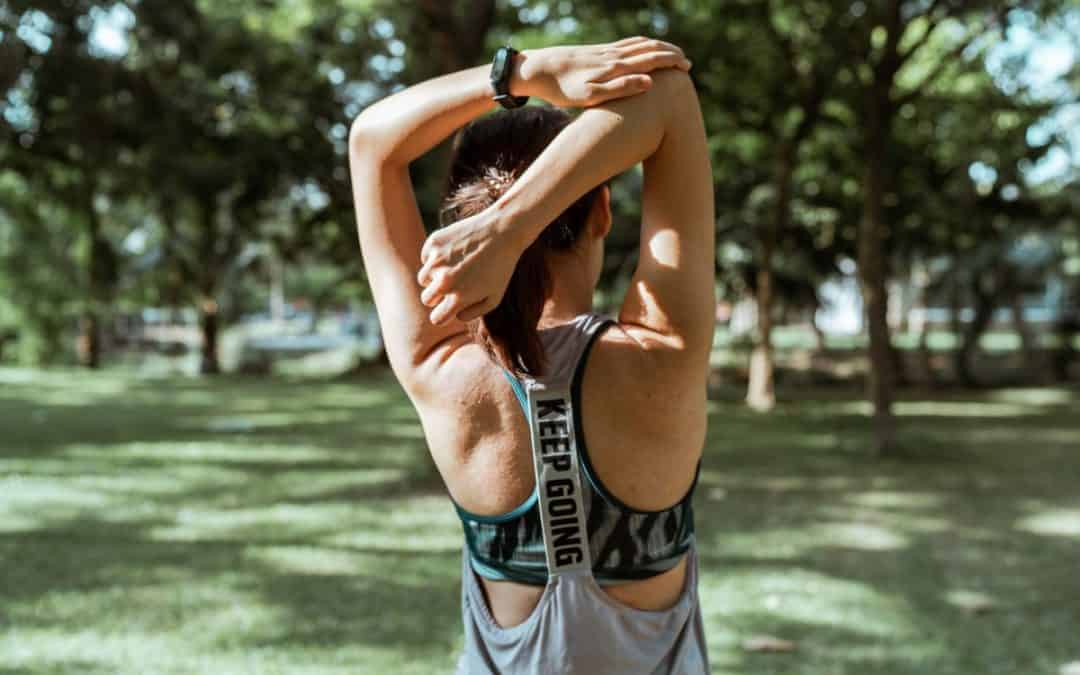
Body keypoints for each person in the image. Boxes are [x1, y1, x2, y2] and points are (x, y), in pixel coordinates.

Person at [348, 37, 715, 674]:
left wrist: (524, 72)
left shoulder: (438, 364)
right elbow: (670, 94)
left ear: (456, 223)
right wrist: (511, 229)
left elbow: (371, 142)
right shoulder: (663, 351)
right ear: (602, 210)